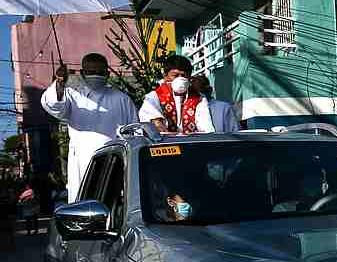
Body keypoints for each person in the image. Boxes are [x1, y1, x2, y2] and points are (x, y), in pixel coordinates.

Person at [41, 54, 137, 202]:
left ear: (107, 73)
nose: (95, 75)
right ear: (82, 73)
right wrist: (60, 83)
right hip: (82, 160)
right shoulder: (74, 95)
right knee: (82, 202)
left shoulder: (122, 99)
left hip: (114, 161)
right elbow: (54, 106)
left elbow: (135, 132)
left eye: (99, 72)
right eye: (91, 72)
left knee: (112, 203)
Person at [139, 55, 214, 134]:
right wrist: (157, 123)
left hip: (191, 142)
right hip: (166, 144)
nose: (180, 79)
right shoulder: (154, 96)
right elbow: (151, 118)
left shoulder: (199, 98)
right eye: (175, 75)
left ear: (189, 76)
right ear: (165, 76)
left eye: (184, 75)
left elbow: (205, 124)